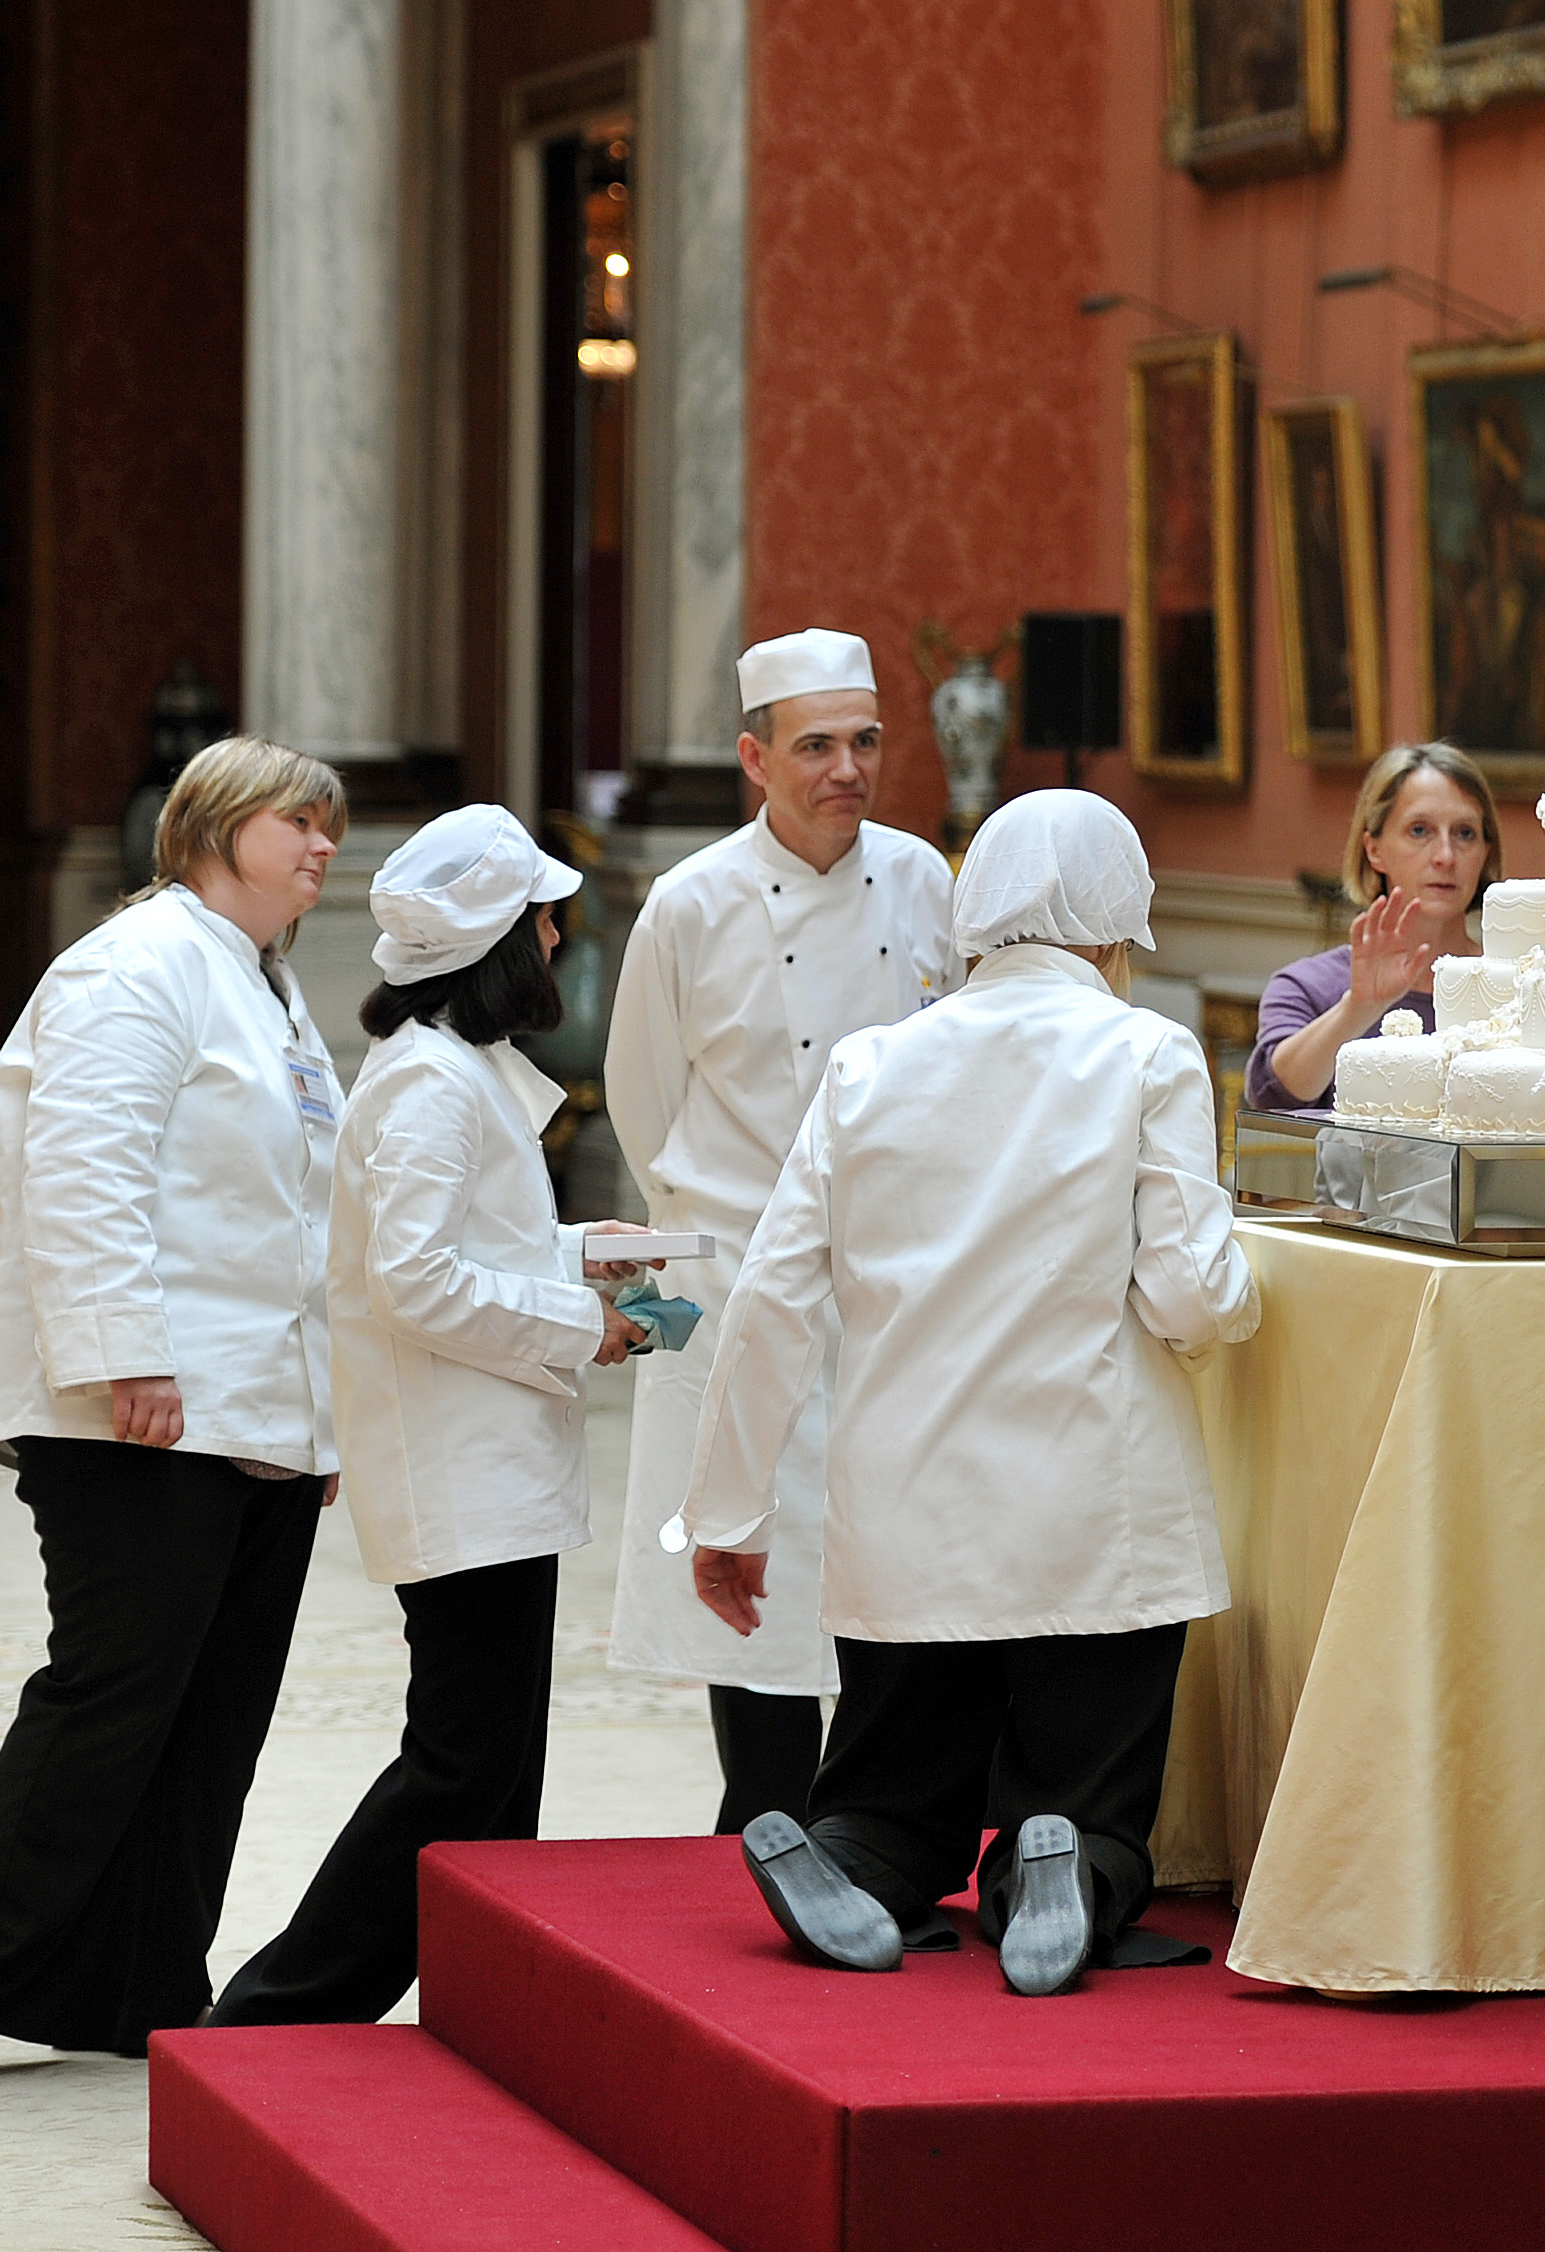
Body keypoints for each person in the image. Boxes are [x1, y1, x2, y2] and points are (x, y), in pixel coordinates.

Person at [685, 789, 1260, 1996]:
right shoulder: (1146, 1050)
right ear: (1116, 928)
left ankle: (847, 1857)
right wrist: (1247, 1290)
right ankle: (1060, 1863)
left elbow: (771, 1302)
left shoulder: (867, 1064)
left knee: (889, 1793)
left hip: (906, 1515)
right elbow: (1190, 1297)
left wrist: (730, 1515)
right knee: (1092, 1790)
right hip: (1089, 1508)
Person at [206, 807, 667, 2026]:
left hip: (488, 1464)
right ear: (496, 941)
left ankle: (472, 1996)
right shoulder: (428, 1085)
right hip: (461, 1468)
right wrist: (585, 1322)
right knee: (461, 1759)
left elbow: (475, 1248)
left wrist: (583, 1250)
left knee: (499, 1762)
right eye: (543, 915)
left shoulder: (446, 1073)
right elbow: (414, 1281)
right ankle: (279, 2006)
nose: (563, 932)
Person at [0, 738, 348, 2061]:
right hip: (140, 1410)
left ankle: (136, 1994)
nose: (323, 846)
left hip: (251, 1414)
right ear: (214, 826)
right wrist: (127, 1353)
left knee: (212, 1713)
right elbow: (86, 1167)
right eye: (300, 821)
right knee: (113, 1700)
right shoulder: (135, 966)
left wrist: (318, 1412)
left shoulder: (271, 991)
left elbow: (299, 1223)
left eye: (329, 827)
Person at [601, 628, 959, 1833]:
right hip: (736, 1271)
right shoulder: (687, 905)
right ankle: (757, 1819)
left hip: (882, 1279)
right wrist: (711, 1245)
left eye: (864, 742)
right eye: (816, 746)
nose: (846, 768)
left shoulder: (926, 881)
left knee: (872, 1560)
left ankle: (872, 1827)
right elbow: (644, 1105)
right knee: (741, 1566)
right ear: (756, 758)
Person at [1247, 742, 1499, 1112]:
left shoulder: (1520, 982)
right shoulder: (1308, 986)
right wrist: (1359, 1009)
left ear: (1486, 852)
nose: (1445, 856)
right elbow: (1273, 1096)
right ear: (1374, 849)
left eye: (1464, 834)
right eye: (1419, 830)